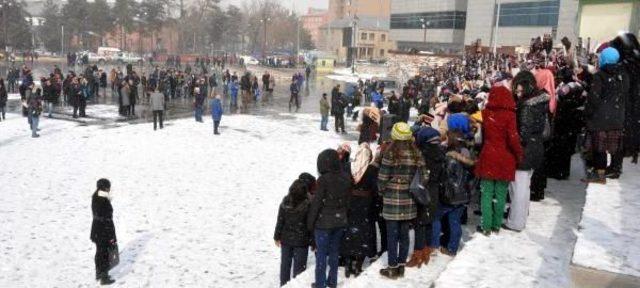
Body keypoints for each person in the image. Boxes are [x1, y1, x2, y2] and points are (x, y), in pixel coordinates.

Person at [377, 122, 429, 279]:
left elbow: (382, 178)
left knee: (392, 235)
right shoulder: (416, 154)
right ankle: (401, 266)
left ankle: (392, 268)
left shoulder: (390, 154)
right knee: (404, 235)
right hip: (409, 200)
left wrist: (383, 190)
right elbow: (424, 177)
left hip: (392, 199)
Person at [475, 86, 523, 235]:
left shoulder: (485, 113)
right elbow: (513, 138)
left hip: (489, 155)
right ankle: (496, 224)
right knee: (501, 193)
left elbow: (471, 117)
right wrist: (519, 154)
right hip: (505, 158)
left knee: (487, 193)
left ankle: (486, 225)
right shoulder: (510, 115)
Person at [504, 71, 549, 231]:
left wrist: (511, 143)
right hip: (536, 147)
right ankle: (520, 218)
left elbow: (522, 134)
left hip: (525, 150)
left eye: (518, 87)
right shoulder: (541, 101)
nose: (516, 91)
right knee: (524, 187)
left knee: (518, 188)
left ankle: (515, 221)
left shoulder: (526, 105)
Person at [584, 47, 630, 184]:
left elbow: (594, 98)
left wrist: (587, 113)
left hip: (600, 119)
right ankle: (615, 169)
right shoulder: (624, 75)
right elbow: (626, 95)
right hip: (618, 117)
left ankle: (600, 175)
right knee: (616, 146)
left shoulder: (600, 76)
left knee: (600, 148)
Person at [307, 149, 351, 288]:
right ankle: (332, 282)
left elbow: (317, 203)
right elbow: (348, 202)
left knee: (321, 255)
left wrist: (310, 223)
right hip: (340, 221)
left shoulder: (323, 180)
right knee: (334, 253)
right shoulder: (346, 177)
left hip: (323, 224)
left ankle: (320, 284)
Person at [430, 130, 475, 256]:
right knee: (455, 222)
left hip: (449, 196)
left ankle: (434, 245)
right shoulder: (468, 156)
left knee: (435, 218)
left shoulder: (448, 158)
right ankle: (452, 248)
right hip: (462, 195)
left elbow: (445, 178)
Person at [407, 126, 443, 268]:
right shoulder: (441, 153)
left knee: (419, 223)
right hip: (434, 191)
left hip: (423, 190)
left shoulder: (423, 154)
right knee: (428, 221)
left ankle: (417, 255)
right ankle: (427, 251)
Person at [341, 143, 377, 278]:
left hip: (350, 203)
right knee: (363, 233)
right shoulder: (372, 169)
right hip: (365, 206)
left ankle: (348, 262)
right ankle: (358, 265)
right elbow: (375, 189)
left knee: (349, 232)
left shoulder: (347, 167)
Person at [274, 179, 312, 286]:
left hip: (286, 239)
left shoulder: (285, 202)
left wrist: (276, 236)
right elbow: (310, 224)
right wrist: (312, 240)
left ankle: (283, 284)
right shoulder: (308, 204)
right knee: (299, 269)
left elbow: (280, 220)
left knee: (285, 265)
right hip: (301, 240)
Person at [90, 178, 117, 285]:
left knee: (100, 252)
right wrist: (110, 233)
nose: (109, 189)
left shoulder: (96, 196)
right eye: (108, 187)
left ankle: (99, 272)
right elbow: (105, 216)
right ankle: (104, 277)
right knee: (104, 253)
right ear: (105, 187)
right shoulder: (102, 198)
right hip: (103, 230)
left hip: (97, 229)